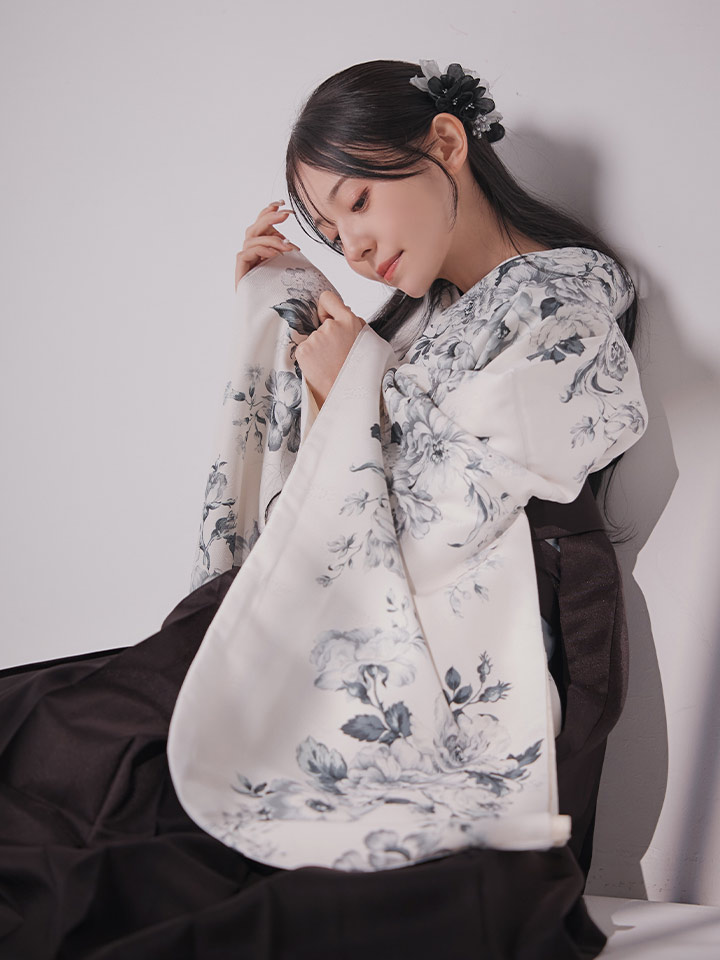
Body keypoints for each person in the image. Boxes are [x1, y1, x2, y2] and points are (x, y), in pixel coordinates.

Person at [0, 59, 646, 959]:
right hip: (364, 596)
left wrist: (357, 383)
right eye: (333, 232)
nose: (357, 246)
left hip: (475, 611)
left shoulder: (566, 302)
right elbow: (344, 465)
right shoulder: (417, 319)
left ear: (446, 143)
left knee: (107, 754)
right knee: (66, 725)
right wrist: (295, 301)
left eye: (359, 202)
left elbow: (462, 497)